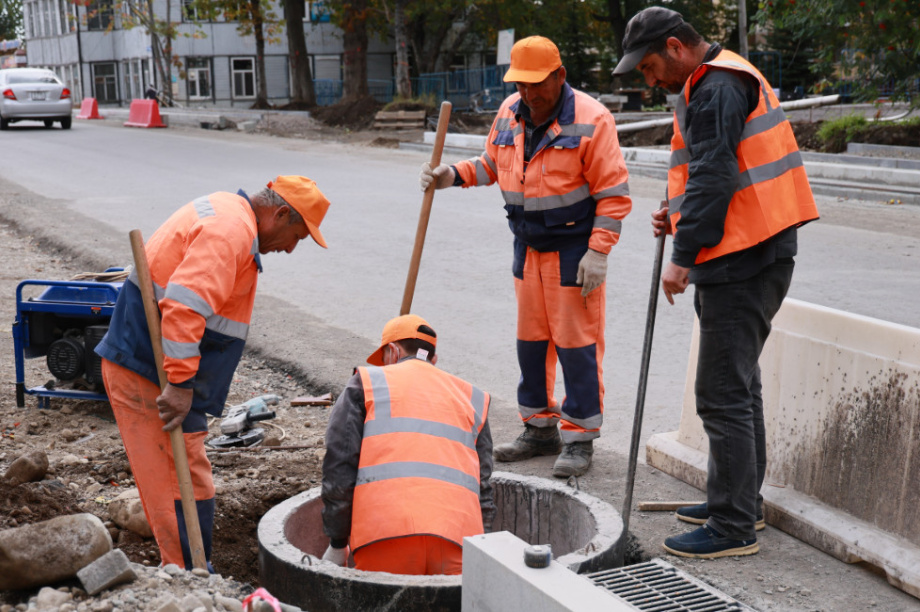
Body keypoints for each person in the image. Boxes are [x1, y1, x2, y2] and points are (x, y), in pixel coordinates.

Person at [613, 7, 819, 558]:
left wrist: (680, 255)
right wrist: (677, 218)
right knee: (739, 385)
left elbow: (716, 175)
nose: (650, 80)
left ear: (677, 47)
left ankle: (732, 528)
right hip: (749, 250)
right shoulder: (719, 77)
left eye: (651, 66)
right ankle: (739, 503)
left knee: (722, 394)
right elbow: (709, 172)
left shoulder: (716, 89)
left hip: (743, 260)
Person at [419, 36, 632, 478]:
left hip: (574, 249)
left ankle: (578, 438)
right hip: (528, 246)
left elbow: (613, 196)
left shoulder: (593, 120)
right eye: (522, 85)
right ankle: (539, 429)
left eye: (538, 85)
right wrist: (450, 176)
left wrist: (598, 252)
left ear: (560, 77)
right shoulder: (509, 113)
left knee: (576, 346)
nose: (530, 94)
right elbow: (491, 165)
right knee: (531, 344)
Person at [95, 176, 331, 570]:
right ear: (280, 213)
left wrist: (183, 382)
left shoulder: (230, 215)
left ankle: (197, 568)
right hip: (148, 372)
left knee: (190, 473)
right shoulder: (230, 231)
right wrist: (182, 383)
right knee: (171, 482)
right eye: (297, 236)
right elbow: (185, 308)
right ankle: (187, 574)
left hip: (164, 371)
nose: (291, 248)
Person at [320, 314, 494, 575]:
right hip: (460, 541)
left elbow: (340, 466)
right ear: (433, 360)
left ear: (392, 351)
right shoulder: (473, 398)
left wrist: (337, 542)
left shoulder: (366, 384)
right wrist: (484, 548)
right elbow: (483, 486)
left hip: (384, 537)